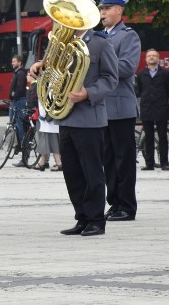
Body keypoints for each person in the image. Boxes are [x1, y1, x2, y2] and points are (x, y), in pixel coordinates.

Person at [32, 24, 118, 237]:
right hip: (65, 117)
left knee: (92, 172)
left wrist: (88, 92)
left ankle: (96, 220)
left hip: (89, 118)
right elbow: (54, 72)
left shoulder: (100, 43)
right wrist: (41, 68)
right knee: (72, 173)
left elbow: (110, 79)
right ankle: (82, 217)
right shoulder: (61, 44)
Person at [97, 0, 141, 222]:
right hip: (102, 107)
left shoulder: (128, 36)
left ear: (119, 10)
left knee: (124, 159)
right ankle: (114, 203)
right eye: (101, 9)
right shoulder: (98, 36)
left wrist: (101, 64)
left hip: (121, 107)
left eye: (106, 9)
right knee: (108, 160)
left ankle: (126, 205)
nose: (102, 13)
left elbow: (127, 68)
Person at [135, 49, 169, 171]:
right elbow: (139, 90)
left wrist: (161, 99)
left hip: (161, 108)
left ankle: (164, 163)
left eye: (154, 56)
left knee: (163, 137)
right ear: (146, 59)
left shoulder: (166, 73)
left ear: (158, 58)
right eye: (149, 56)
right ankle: (149, 164)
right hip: (147, 108)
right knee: (148, 138)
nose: (151, 57)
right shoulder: (141, 74)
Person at [32, 104, 62, 171]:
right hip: (52, 121)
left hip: (48, 122)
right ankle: (42, 162)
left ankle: (59, 163)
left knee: (50, 143)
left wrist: (41, 117)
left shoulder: (44, 93)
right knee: (46, 143)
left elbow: (43, 108)